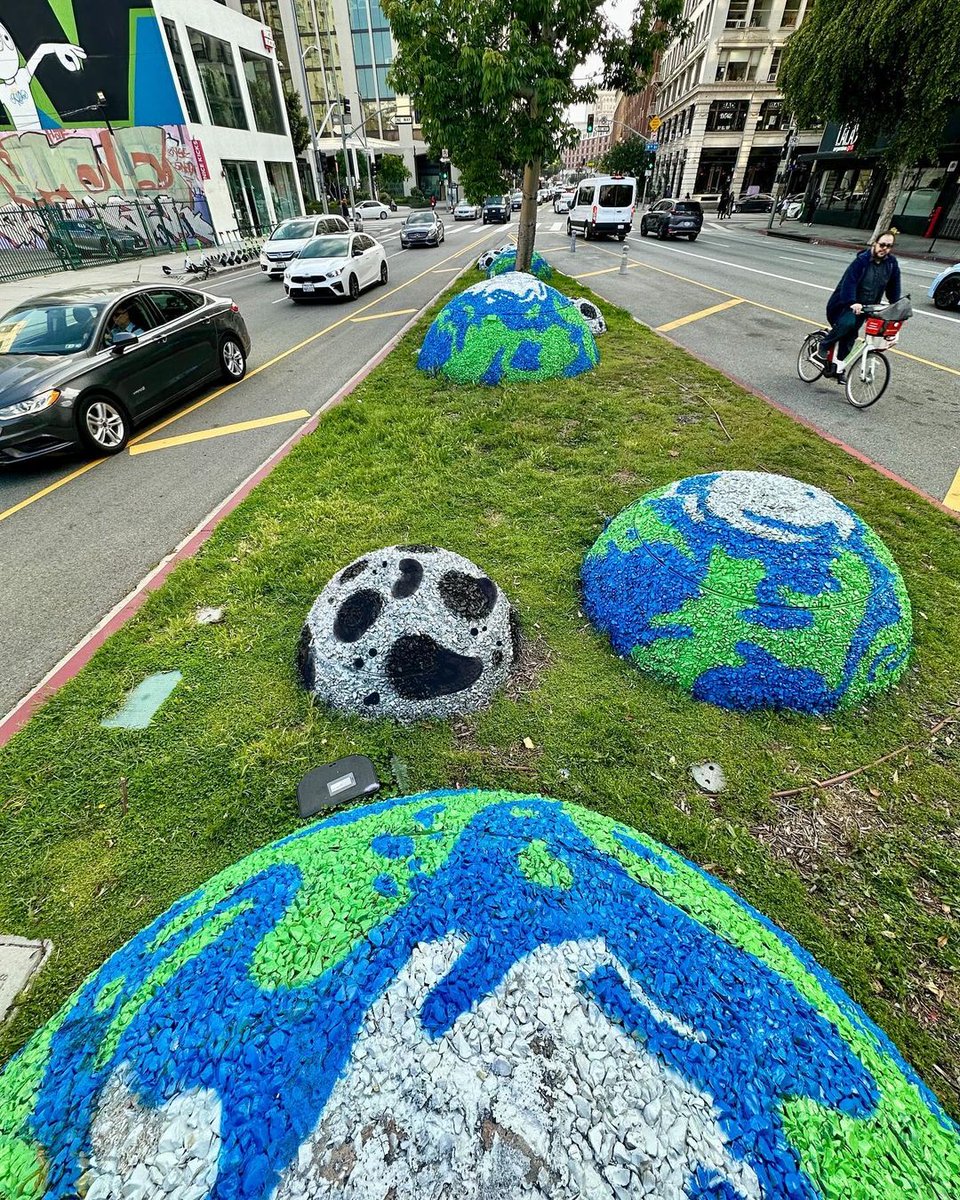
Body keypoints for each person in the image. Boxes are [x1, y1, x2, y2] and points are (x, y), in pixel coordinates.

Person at [814, 230, 901, 376]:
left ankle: (839, 366)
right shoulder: (861, 261)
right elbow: (849, 283)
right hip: (845, 304)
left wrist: (896, 305)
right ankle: (824, 345)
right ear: (874, 243)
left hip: (866, 308)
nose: (884, 248)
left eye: (889, 246)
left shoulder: (891, 264)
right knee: (847, 324)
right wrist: (852, 302)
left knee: (851, 337)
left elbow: (894, 287)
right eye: (882, 245)